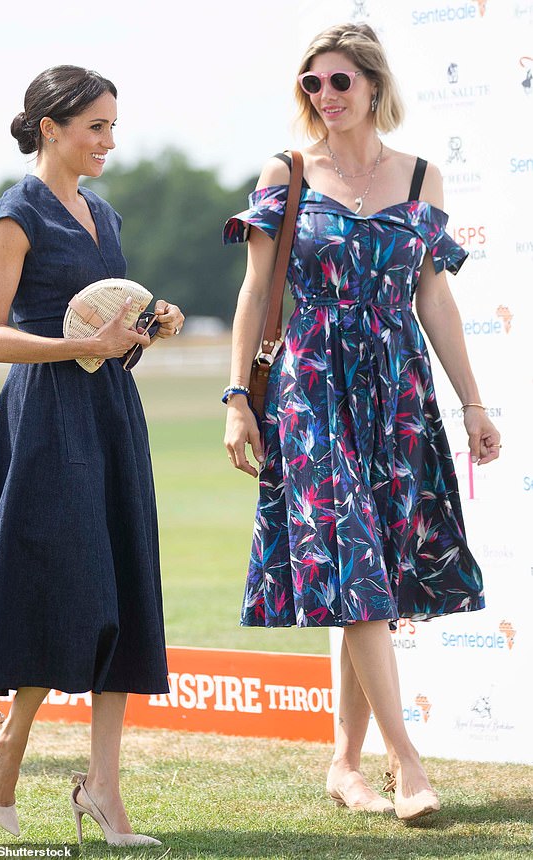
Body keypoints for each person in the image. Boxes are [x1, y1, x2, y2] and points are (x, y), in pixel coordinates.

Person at [222, 23, 500, 821]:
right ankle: (407, 766)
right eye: (312, 84)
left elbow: (434, 297)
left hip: (397, 390)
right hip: (309, 386)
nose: (325, 97)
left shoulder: (421, 178)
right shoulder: (288, 172)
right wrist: (239, 397)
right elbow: (254, 290)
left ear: (373, 85)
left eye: (339, 82)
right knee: (356, 564)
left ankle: (344, 764)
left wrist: (473, 402)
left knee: (367, 575)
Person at [0, 65, 184, 846]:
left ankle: (105, 795)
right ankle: (7, 740)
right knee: (68, 590)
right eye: (96, 127)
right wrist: (86, 342)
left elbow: (113, 321)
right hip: (44, 419)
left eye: (114, 125)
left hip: (111, 414)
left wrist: (150, 324)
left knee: (125, 597)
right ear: (51, 128)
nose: (110, 140)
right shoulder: (14, 217)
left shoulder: (104, 215)